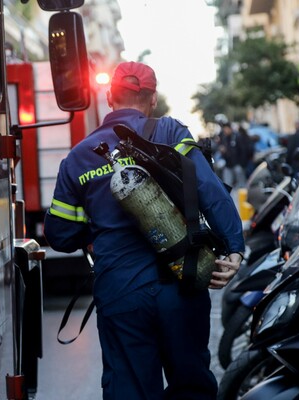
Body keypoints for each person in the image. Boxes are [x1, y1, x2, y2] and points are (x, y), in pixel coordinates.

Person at [44, 61, 244, 399]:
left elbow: (60, 235)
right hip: (181, 280)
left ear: (109, 97)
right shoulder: (170, 133)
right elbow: (209, 191)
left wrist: (97, 231)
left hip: (120, 289)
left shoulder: (78, 158)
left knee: (130, 389)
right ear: (152, 99)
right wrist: (234, 246)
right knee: (191, 386)